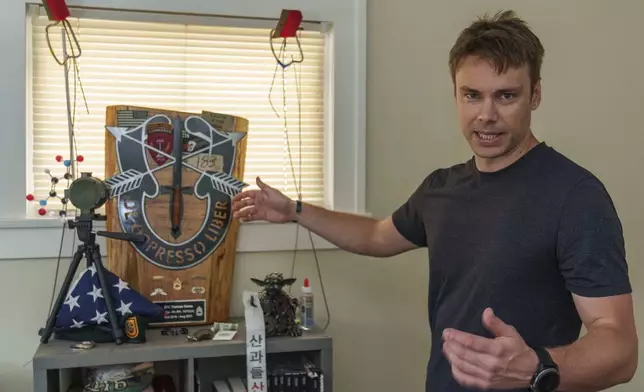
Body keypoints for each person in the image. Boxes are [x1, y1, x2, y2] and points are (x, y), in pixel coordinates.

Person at [232, 9, 638, 392]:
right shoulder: (442, 188)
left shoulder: (575, 196)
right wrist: (295, 211)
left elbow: (620, 350)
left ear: (535, 96)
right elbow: (375, 236)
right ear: (456, 95)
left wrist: (535, 367)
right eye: (472, 95)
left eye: (507, 96)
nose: (486, 114)